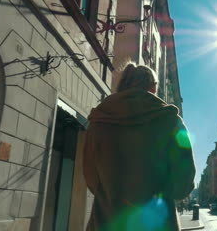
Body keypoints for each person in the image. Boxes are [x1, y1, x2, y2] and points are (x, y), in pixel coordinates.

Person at [83, 63, 196, 231]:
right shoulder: (171, 121)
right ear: (152, 88)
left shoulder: (99, 121)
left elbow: (91, 179)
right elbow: (182, 185)